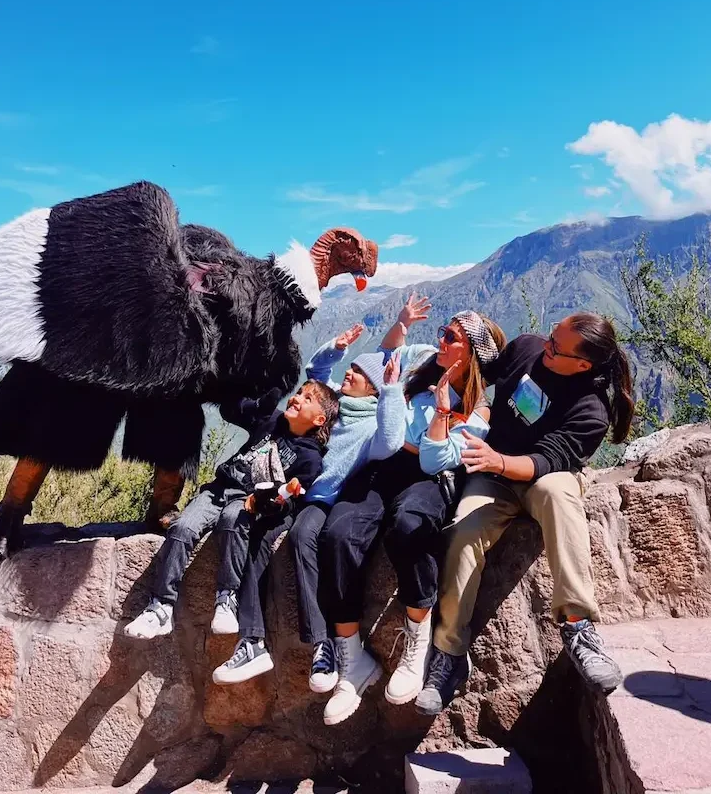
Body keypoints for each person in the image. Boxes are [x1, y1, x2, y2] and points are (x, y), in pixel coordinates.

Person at [415, 313, 635, 716]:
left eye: (556, 347)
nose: (545, 347)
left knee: (559, 493)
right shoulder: (528, 348)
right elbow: (485, 371)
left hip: (540, 475)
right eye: (551, 337)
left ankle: (577, 626)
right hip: (492, 473)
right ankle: (448, 656)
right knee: (463, 533)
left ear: (582, 365)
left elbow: (544, 461)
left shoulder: (590, 411)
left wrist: (497, 460)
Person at [318, 296, 506, 725]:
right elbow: (388, 355)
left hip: (428, 476)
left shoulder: (476, 411)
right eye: (442, 332)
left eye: (451, 337)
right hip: (386, 465)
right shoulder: (423, 361)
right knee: (339, 533)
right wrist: (401, 325)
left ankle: (418, 638)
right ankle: (352, 658)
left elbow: (431, 461)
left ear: (471, 353)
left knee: (409, 525)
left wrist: (441, 414)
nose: (440, 340)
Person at [212, 322, 407, 684]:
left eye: (360, 373)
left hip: (320, 500)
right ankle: (251, 642)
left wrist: (393, 391)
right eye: (352, 367)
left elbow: (392, 441)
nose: (350, 372)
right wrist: (337, 345)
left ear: (374, 390)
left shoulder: (369, 427)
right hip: (290, 493)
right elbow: (315, 375)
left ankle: (322, 644)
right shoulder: (336, 403)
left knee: (304, 536)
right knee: (258, 540)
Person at [123, 380, 339, 640]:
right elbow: (230, 410)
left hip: (246, 499)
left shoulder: (310, 458)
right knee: (183, 527)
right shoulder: (272, 420)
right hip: (218, 489)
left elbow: (289, 502)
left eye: (307, 399)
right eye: (298, 393)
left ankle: (227, 598)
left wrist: (271, 503)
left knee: (232, 520)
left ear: (318, 419)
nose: (296, 398)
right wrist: (260, 404)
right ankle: (160, 607)